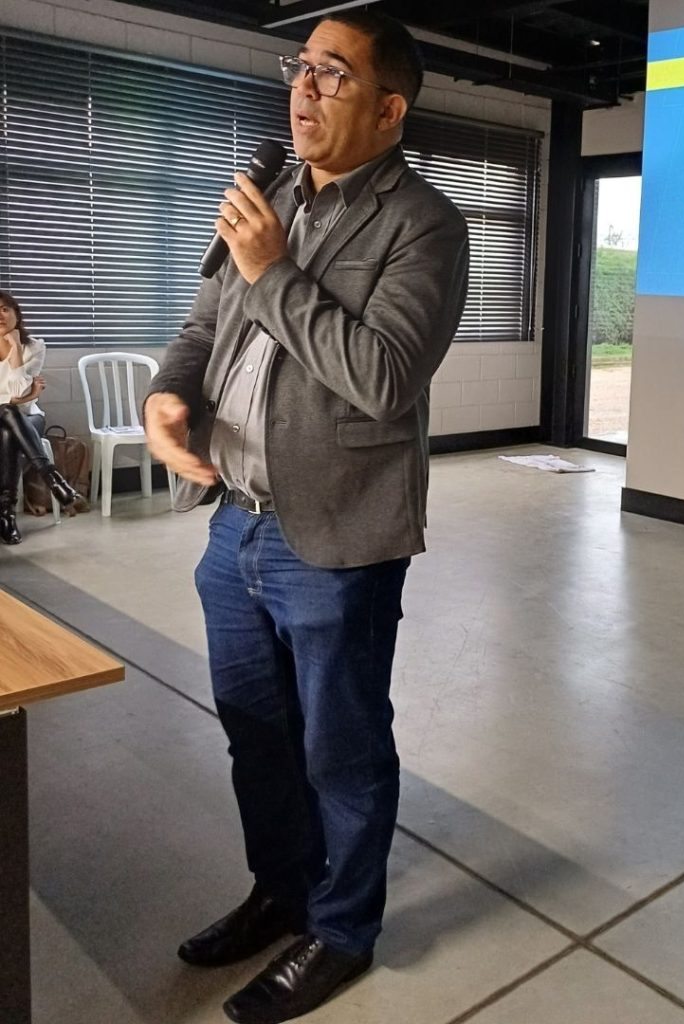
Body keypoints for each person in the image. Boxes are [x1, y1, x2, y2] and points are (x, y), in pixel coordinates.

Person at [144, 12, 469, 1024]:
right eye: (302, 68)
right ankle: (282, 890)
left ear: (388, 108)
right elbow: (204, 324)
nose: (305, 89)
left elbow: (383, 376)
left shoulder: (424, 224)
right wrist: (167, 394)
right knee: (256, 735)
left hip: (334, 535)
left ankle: (341, 931)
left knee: (342, 749)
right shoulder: (270, 196)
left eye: (333, 74)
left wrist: (273, 271)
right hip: (233, 521)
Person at [0, 291, 77, 545]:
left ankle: (6, 516)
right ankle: (52, 479)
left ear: (17, 314)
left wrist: (15, 349)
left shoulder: (35, 347)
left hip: (29, 419)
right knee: (7, 420)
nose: (0, 315)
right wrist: (27, 396)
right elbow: (20, 394)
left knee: (8, 424)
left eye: (5, 309)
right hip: (14, 414)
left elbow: (16, 391)